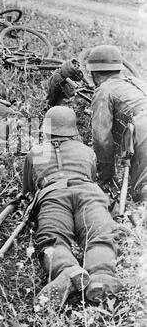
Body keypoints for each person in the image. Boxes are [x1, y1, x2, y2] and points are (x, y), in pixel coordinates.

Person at [22, 106, 122, 308]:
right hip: (89, 192)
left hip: (53, 195)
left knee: (52, 239)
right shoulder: (86, 151)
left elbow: (28, 189)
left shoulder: (35, 152)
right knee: (100, 234)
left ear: (46, 130)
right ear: (73, 130)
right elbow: (92, 176)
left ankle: (67, 270)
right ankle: (101, 274)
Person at [88, 45, 147, 202]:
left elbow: (101, 140)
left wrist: (105, 177)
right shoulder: (136, 81)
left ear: (94, 73)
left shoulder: (103, 91)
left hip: (143, 131)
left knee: (141, 196)